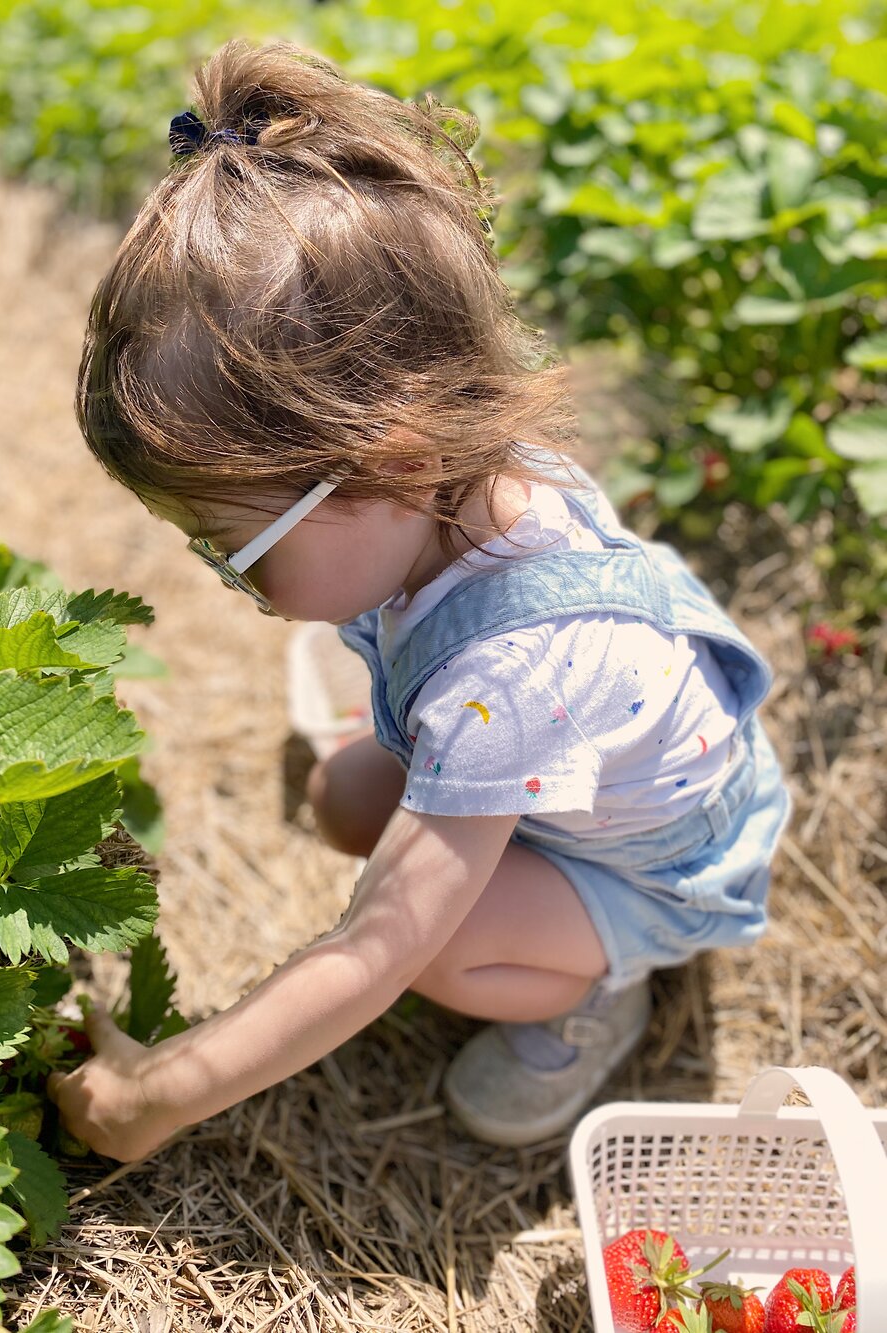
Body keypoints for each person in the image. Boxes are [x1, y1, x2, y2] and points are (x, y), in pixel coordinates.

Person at [48, 38, 791, 1162]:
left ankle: (599, 988)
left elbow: (374, 952)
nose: (229, 586)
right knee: (350, 799)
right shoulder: (460, 486)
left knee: (436, 951)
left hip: (651, 864)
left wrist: (154, 1098)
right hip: (575, 765)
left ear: (386, 461)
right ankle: (513, 874)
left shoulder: (518, 669)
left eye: (236, 551)